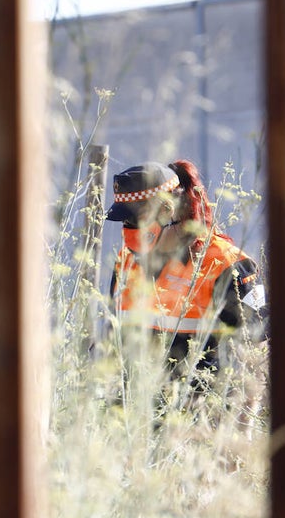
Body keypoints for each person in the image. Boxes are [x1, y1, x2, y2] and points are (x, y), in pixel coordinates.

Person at [105, 160, 267, 392]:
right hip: (134, 418)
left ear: (166, 210)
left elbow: (259, 355)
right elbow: (115, 344)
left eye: (134, 219)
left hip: (202, 419)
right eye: (124, 220)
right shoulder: (126, 262)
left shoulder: (226, 265)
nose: (127, 228)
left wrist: (242, 426)